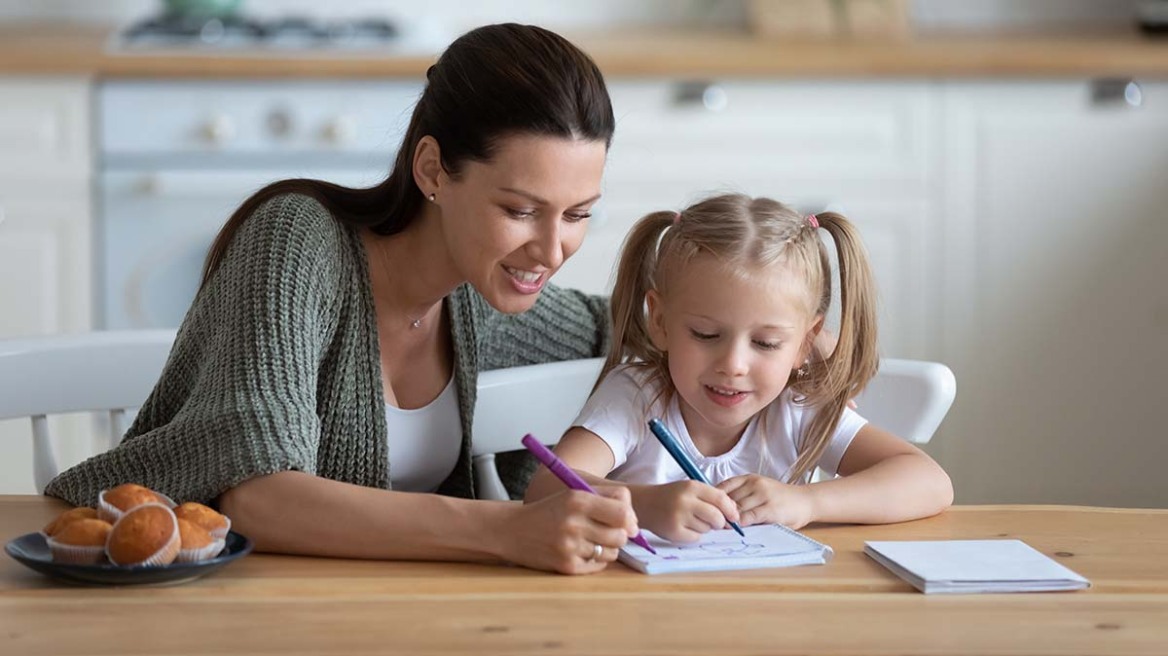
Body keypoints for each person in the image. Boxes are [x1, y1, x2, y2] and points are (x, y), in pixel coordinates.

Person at [45, 23, 640, 575]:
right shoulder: (296, 244)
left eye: (578, 214)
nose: (552, 249)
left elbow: (641, 331)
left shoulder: (479, 297)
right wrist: (508, 529)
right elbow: (260, 497)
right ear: (433, 170)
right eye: (520, 211)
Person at [524, 194, 953, 543]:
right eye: (706, 335)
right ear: (660, 320)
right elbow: (545, 489)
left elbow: (929, 482)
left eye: (766, 343)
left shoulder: (797, 408)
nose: (733, 365)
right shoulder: (637, 398)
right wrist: (643, 504)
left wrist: (807, 504)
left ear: (806, 341)